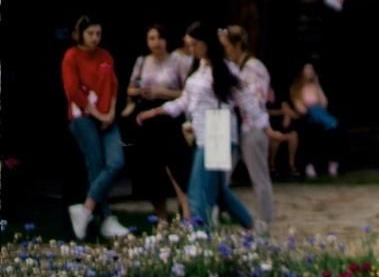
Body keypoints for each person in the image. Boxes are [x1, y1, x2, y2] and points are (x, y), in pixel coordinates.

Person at [138, 20, 254, 230]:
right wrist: (157, 111)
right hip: (205, 132)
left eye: (194, 44)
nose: (191, 49)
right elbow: (185, 100)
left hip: (217, 130)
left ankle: (201, 235)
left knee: (198, 190)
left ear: (206, 43)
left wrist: (261, 125)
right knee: (218, 190)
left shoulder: (224, 68)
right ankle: (250, 224)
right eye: (189, 45)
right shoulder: (199, 68)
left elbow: (245, 98)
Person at [62, 15, 133, 240]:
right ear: (80, 34)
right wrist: (97, 113)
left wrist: (110, 112)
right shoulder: (71, 56)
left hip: (106, 117)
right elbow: (73, 91)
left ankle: (85, 211)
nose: (95, 38)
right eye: (91, 33)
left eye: (98, 34)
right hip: (83, 117)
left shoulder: (105, 56)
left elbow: (113, 86)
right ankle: (107, 219)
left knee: (116, 162)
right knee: (96, 163)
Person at [124, 23, 192, 220]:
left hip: (170, 114)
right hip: (147, 116)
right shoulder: (142, 61)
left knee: (176, 164)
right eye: (151, 38)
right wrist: (140, 91)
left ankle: (186, 211)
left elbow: (187, 92)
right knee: (151, 167)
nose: (156, 43)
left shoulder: (177, 60)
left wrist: (163, 92)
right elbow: (130, 88)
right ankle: (161, 215)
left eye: (159, 38)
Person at [220, 26, 277, 227]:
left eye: (227, 46)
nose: (224, 51)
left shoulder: (254, 67)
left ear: (237, 45)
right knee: (221, 176)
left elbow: (255, 99)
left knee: (259, 178)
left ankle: (264, 220)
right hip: (234, 129)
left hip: (252, 128)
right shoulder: (232, 67)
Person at [287, 64, 341, 178]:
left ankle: (333, 163)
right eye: (307, 69)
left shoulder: (315, 86)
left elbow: (324, 103)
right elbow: (300, 108)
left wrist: (317, 85)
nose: (310, 72)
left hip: (320, 114)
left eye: (311, 69)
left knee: (334, 129)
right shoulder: (296, 88)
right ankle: (309, 165)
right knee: (310, 131)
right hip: (306, 116)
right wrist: (310, 108)